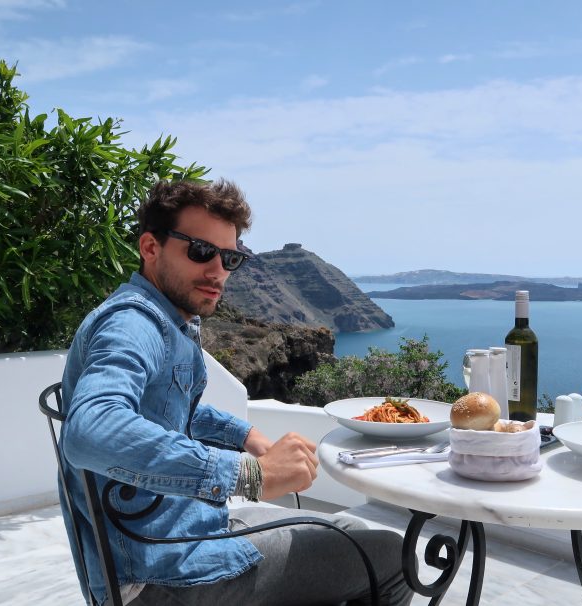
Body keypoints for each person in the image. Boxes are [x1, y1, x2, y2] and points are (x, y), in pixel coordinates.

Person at [59, 179, 413, 606]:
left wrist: (245, 435)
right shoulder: (134, 324)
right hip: (164, 575)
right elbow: (91, 431)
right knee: (394, 556)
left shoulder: (165, 320)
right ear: (151, 247)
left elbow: (169, 407)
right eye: (200, 251)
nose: (218, 272)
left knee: (349, 528)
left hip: (176, 534)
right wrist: (248, 475)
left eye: (230, 258)